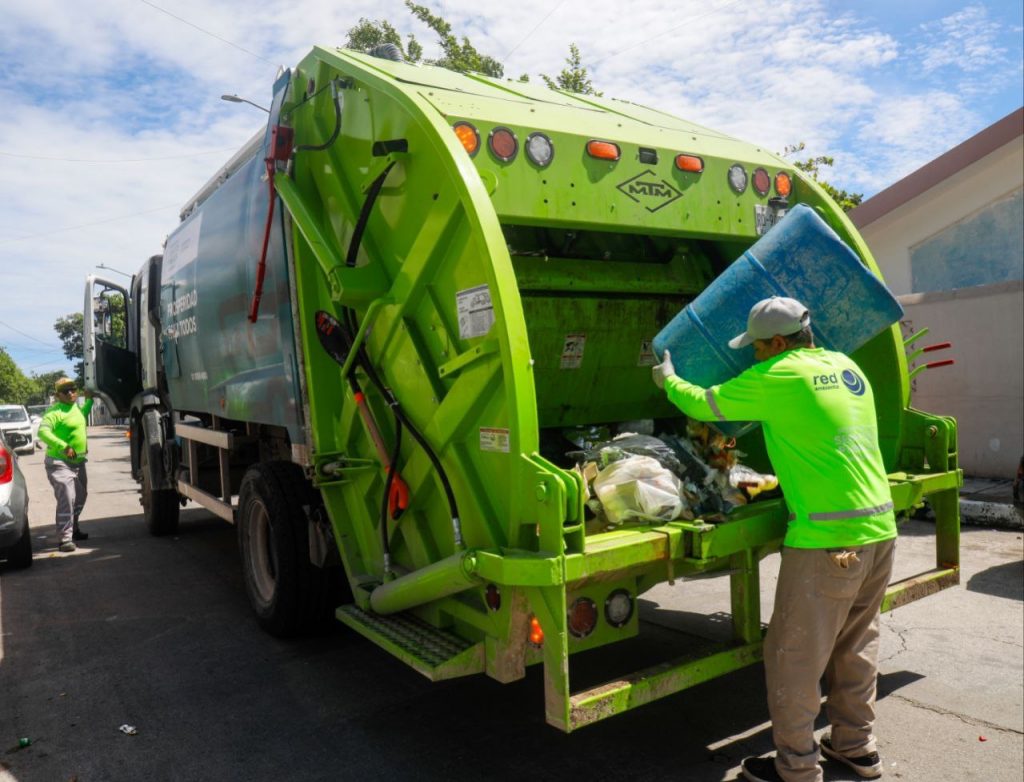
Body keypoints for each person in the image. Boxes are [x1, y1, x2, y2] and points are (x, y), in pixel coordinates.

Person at [652, 297, 896, 782]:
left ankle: (797, 769)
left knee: (794, 656)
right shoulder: (846, 366)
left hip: (828, 540)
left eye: (758, 348)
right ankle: (855, 746)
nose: (754, 357)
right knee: (856, 644)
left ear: (779, 343)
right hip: (880, 531)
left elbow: (707, 404)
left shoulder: (780, 374)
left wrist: (669, 380)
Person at [38, 377, 95, 553]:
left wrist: (90, 399)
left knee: (80, 497)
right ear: (57, 396)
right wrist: (63, 446)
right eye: (66, 391)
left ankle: (74, 528)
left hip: (78, 463)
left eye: (73, 389)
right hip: (59, 462)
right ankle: (65, 539)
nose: (71, 393)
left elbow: (82, 416)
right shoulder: (54, 412)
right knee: (67, 498)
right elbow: (42, 432)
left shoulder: (75, 409)